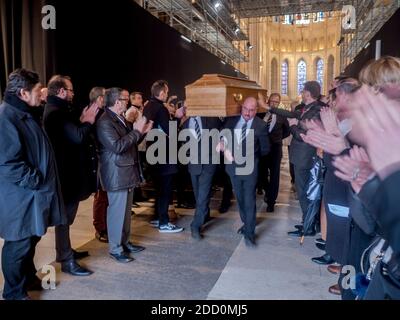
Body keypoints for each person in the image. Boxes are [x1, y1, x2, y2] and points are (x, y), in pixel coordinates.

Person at [0, 69, 65, 300]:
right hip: (21, 197)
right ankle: (13, 293)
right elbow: (8, 163)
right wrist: (36, 180)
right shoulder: (6, 117)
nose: (43, 94)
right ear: (23, 93)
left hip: (32, 195)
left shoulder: (24, 111)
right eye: (38, 91)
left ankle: (27, 278)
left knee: (30, 240)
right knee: (18, 245)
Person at [43, 75, 98, 276]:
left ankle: (65, 251)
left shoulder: (60, 111)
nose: (73, 94)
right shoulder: (56, 113)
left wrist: (81, 121)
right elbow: (77, 136)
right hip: (65, 176)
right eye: (71, 90)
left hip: (67, 175)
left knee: (65, 219)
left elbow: (73, 132)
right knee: (64, 219)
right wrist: (88, 121)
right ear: (61, 91)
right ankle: (66, 260)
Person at [96, 87, 152, 262]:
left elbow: (131, 143)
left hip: (126, 171)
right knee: (117, 212)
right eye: (125, 99)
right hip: (116, 173)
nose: (127, 102)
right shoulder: (105, 121)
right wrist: (137, 131)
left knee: (126, 213)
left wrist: (142, 133)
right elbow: (118, 147)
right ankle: (115, 248)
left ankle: (125, 242)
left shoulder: (119, 118)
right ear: (116, 101)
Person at [218, 97, 270, 247]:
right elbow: (222, 135)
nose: (248, 113)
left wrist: (252, 157)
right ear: (242, 108)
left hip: (250, 170)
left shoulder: (260, 125)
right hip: (233, 168)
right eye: (246, 109)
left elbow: (266, 149)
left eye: (252, 110)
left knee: (249, 199)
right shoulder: (232, 120)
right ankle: (246, 223)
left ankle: (250, 233)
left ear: (256, 110)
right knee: (240, 198)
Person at [143, 80, 184, 233]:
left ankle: (159, 218)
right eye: (166, 92)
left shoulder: (148, 106)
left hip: (153, 153)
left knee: (159, 189)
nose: (167, 94)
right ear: (161, 93)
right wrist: (178, 117)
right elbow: (170, 132)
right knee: (165, 190)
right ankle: (164, 223)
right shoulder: (160, 109)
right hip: (164, 156)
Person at [181, 114, 222, 239]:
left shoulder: (211, 118)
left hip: (208, 163)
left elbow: (223, 132)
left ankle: (195, 225)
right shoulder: (185, 123)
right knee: (198, 193)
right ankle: (205, 214)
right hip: (193, 164)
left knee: (203, 195)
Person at [257, 93, 290, 212]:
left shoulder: (282, 115)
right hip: (262, 148)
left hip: (276, 148)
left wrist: (278, 138)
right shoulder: (261, 113)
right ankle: (267, 190)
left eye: (276, 102)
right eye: (272, 101)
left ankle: (271, 201)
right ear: (268, 101)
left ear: (279, 103)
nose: (274, 104)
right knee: (262, 173)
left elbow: (287, 131)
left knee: (275, 175)